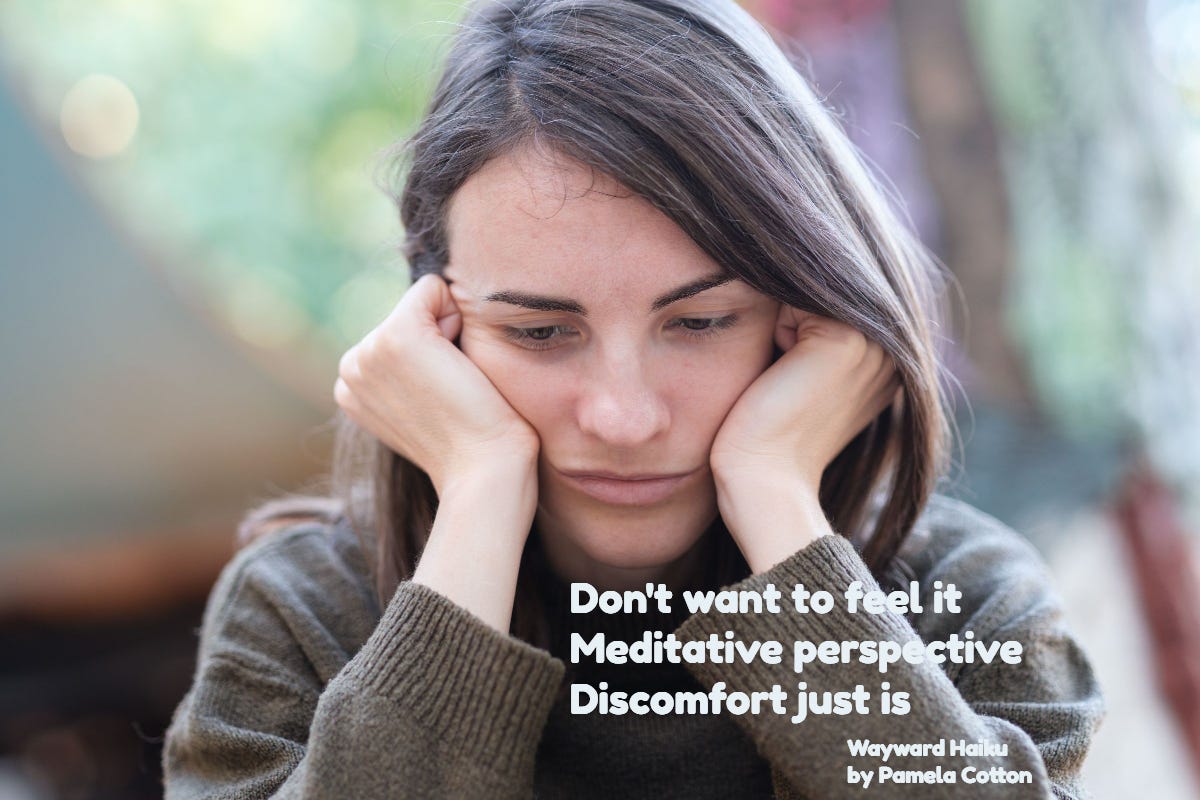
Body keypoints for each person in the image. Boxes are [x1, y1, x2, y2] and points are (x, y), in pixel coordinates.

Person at [161, 0, 1103, 797]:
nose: (624, 417)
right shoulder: (304, 614)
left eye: (700, 323)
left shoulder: (965, 605)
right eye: (538, 332)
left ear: (808, 314)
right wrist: (482, 496)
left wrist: (774, 494)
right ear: (432, 326)